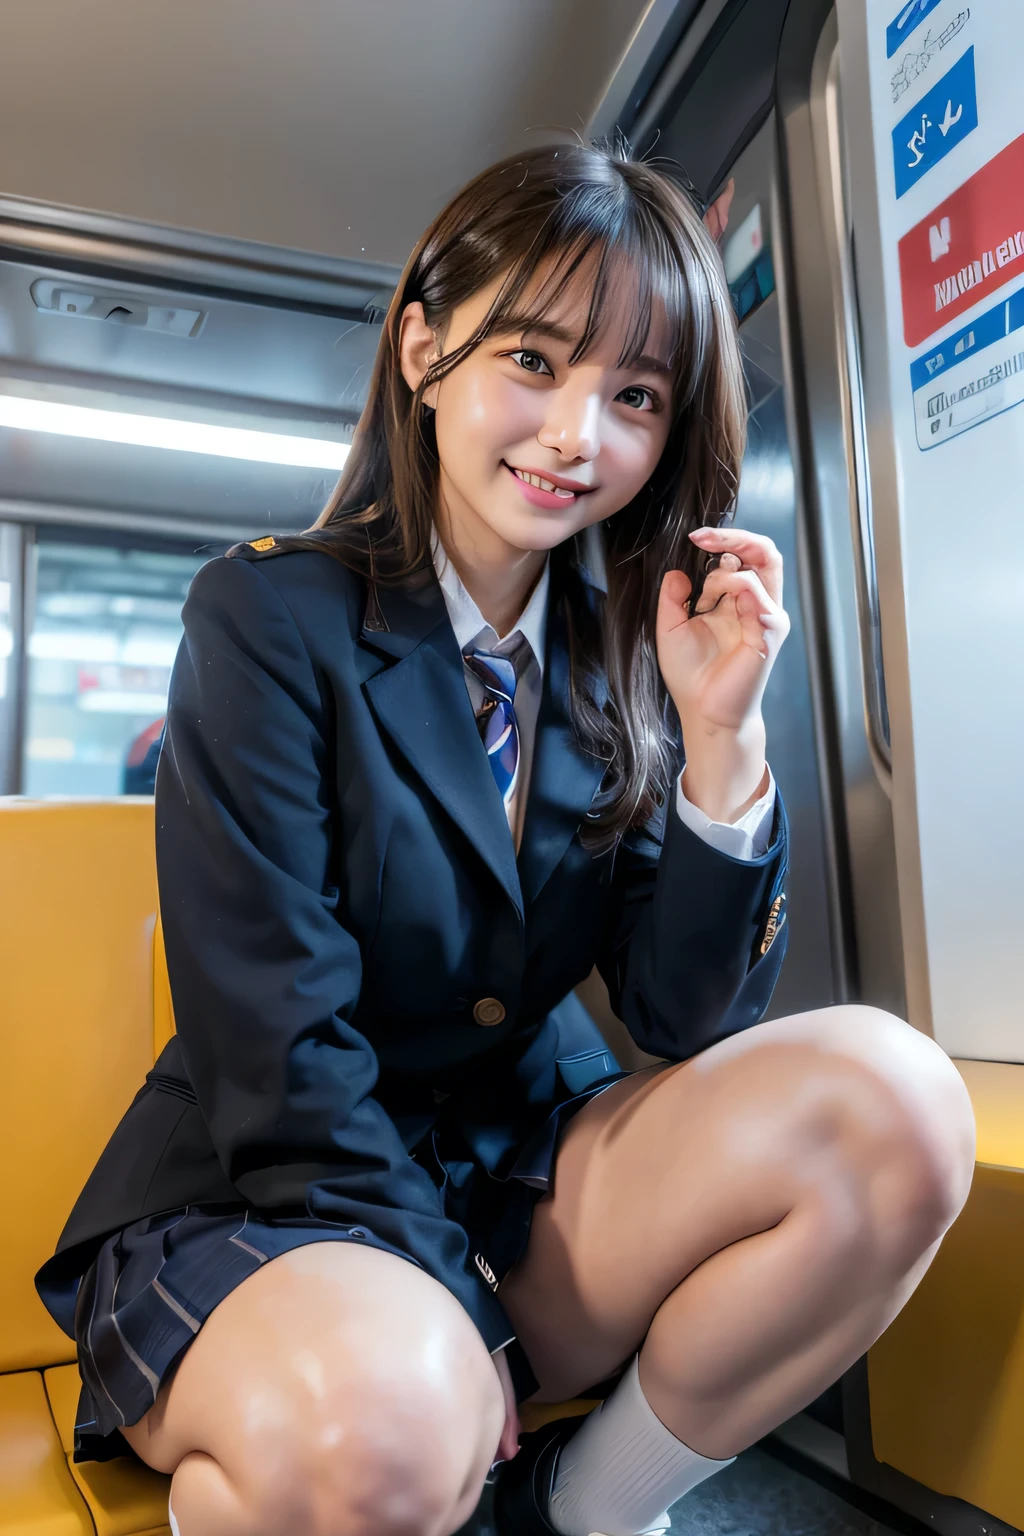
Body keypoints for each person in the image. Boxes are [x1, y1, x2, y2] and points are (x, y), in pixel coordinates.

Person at [36, 142, 975, 1536]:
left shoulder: (627, 660)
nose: (577, 434)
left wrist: (724, 750)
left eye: (635, 394)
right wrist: (453, 1304)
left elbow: (677, 1016)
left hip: (512, 1172)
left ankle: (577, 1513)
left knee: (898, 1102)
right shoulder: (265, 623)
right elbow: (275, 1042)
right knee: (391, 1425)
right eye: (534, 361)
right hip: (272, 1195)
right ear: (422, 347)